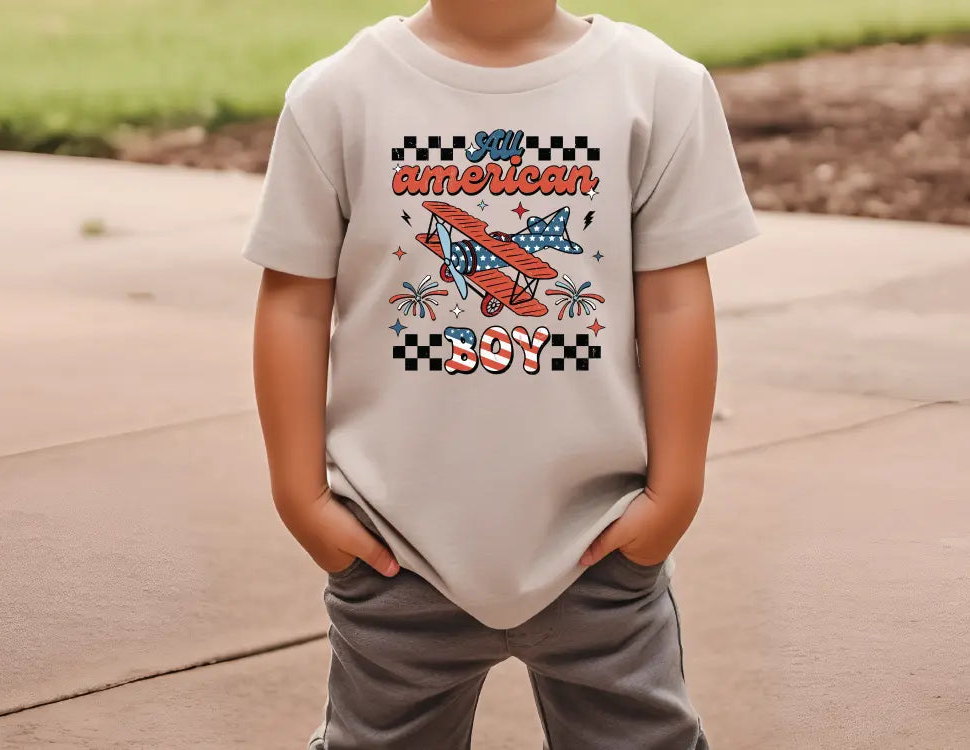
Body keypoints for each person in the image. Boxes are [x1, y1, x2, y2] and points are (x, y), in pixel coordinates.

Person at [242, 1, 759, 747]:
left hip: (601, 543)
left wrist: (675, 492)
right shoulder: (336, 96)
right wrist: (301, 497)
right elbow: (292, 303)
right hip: (393, 547)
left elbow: (677, 302)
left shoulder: (656, 88)